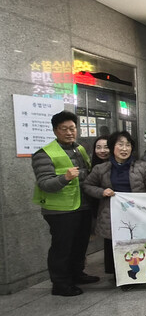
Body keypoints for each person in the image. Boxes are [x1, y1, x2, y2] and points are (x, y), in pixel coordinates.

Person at [83, 131, 146, 291]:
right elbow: (87, 185)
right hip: (113, 216)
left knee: (143, 245)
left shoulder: (142, 166)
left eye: (128, 145)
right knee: (121, 248)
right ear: (112, 147)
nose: (124, 149)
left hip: (138, 215)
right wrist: (102, 192)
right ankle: (127, 278)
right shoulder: (101, 169)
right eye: (120, 145)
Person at [32, 111, 99, 297]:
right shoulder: (44, 154)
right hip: (60, 210)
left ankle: (77, 274)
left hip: (82, 206)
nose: (69, 132)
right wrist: (65, 178)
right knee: (62, 247)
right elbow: (45, 183)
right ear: (55, 131)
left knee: (80, 244)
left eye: (72, 128)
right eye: (64, 129)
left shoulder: (79, 149)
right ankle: (60, 284)